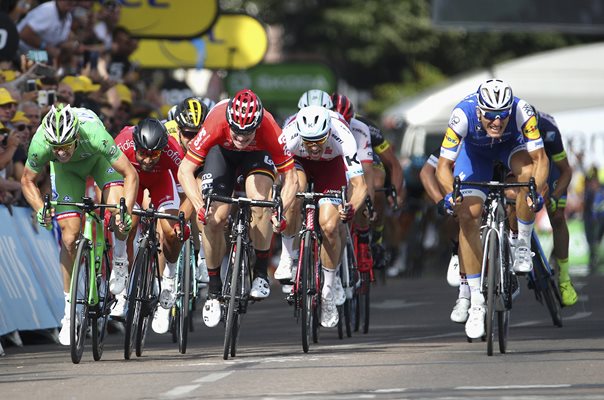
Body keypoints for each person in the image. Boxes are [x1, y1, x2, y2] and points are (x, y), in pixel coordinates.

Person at [435, 79, 548, 339]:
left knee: (527, 177)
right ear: (478, 112)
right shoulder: (462, 114)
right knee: (468, 215)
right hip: (476, 156)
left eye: (502, 116)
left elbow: (540, 159)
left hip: (512, 148)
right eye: (490, 116)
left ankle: (522, 244)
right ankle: (475, 301)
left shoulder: (523, 111)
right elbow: (442, 167)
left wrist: (535, 192)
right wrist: (452, 196)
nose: (496, 122)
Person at [177, 89, 298, 328]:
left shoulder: (270, 128)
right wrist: (200, 205)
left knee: (259, 200)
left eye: (248, 132)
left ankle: (261, 273)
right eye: (237, 131)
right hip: (221, 155)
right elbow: (185, 171)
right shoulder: (216, 120)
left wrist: (280, 209)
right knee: (213, 219)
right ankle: (213, 290)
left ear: (258, 124)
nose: (242, 138)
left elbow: (291, 179)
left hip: (257, 157)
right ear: (229, 121)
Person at [21, 104, 138, 346]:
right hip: (67, 174)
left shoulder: (94, 133)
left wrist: (125, 211)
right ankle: (69, 311)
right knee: (69, 237)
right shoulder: (41, 142)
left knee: (117, 211)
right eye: (56, 148)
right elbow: (27, 180)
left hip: (99, 162)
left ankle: (119, 260)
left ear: (76, 135)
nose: (61, 152)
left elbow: (130, 175)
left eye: (65, 146)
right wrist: (40, 209)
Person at [279, 105, 368, 327]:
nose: (314, 146)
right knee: (294, 193)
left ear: (329, 132)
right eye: (308, 141)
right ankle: (287, 256)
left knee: (329, 226)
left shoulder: (343, 136)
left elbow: (360, 186)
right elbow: (273, 176)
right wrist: (276, 207)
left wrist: (351, 208)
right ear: (299, 134)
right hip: (298, 165)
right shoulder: (289, 136)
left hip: (331, 167)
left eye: (319, 140)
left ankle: (327, 291)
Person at [114, 118, 187, 333]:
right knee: (125, 221)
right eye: (143, 153)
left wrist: (181, 222)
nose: (147, 159)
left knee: (172, 233)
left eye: (154, 155)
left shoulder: (173, 151)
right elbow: (107, 179)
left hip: (161, 181)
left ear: (162, 150)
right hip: (130, 181)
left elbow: (188, 191)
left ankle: (169, 279)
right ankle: (120, 269)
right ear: (135, 145)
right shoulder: (123, 143)